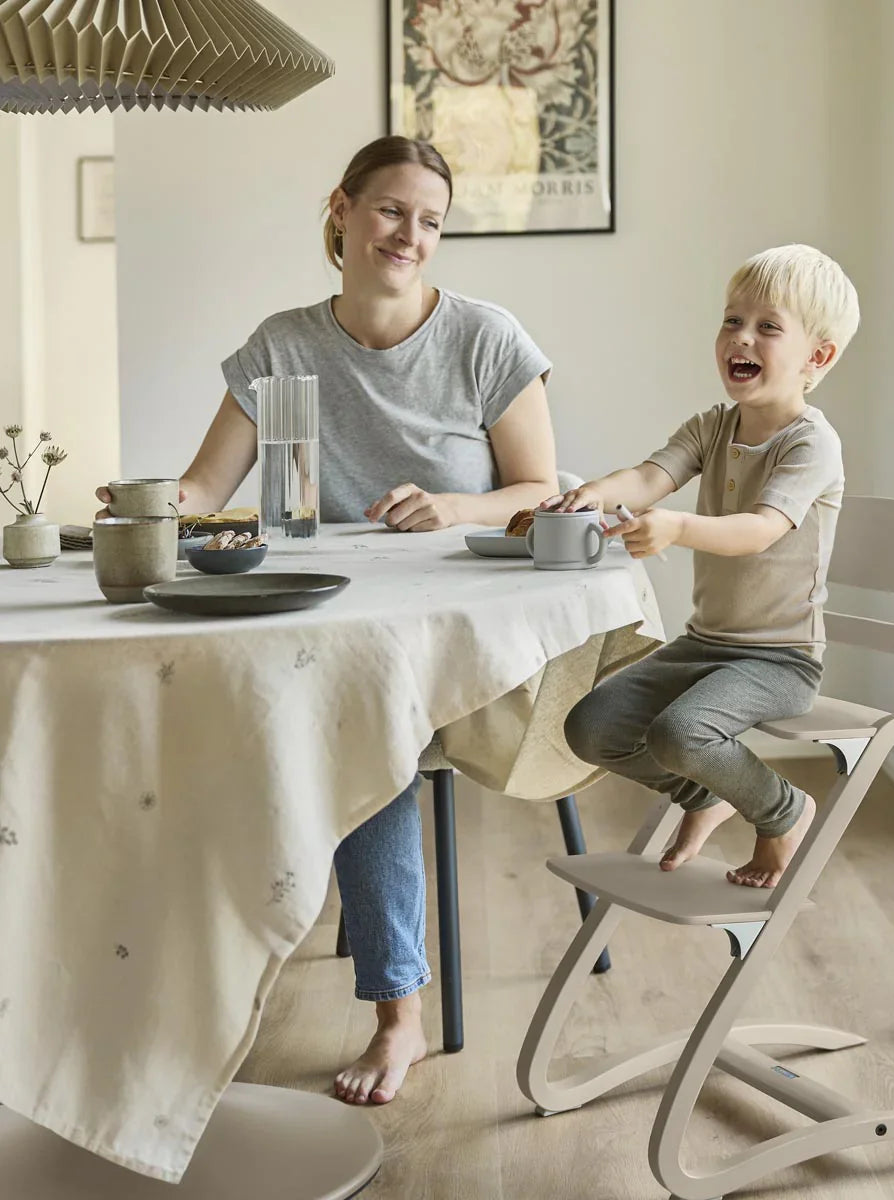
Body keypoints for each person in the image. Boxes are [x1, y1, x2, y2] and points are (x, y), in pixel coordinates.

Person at [98, 135, 557, 1104]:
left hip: (450, 637)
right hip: (324, 621)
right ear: (341, 210)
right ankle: (181, 983)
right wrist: (145, 505)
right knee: (208, 703)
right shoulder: (281, 345)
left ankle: (401, 1017)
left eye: (431, 221)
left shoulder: (486, 338)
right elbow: (202, 487)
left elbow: (541, 489)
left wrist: (455, 508)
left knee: (361, 716)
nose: (411, 235)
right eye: (392, 210)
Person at [548, 244, 859, 889]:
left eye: (767, 326)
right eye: (731, 320)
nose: (740, 337)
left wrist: (678, 528)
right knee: (591, 728)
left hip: (778, 659)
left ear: (817, 358)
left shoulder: (810, 442)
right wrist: (594, 494)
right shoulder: (713, 426)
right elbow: (649, 475)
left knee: (680, 733)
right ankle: (703, 797)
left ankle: (780, 810)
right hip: (704, 645)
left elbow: (759, 531)